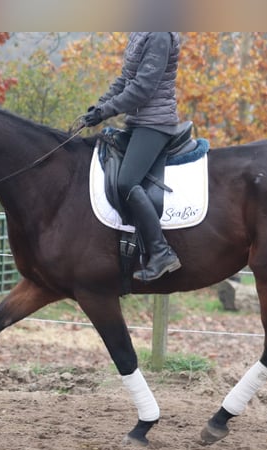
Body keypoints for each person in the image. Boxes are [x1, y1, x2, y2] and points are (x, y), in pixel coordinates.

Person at [83, 32, 182, 282]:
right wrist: (99, 106)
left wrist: (107, 110)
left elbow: (142, 88)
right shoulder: (141, 31)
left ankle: (161, 252)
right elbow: (126, 79)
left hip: (156, 123)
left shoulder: (159, 34)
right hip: (138, 122)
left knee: (127, 181)